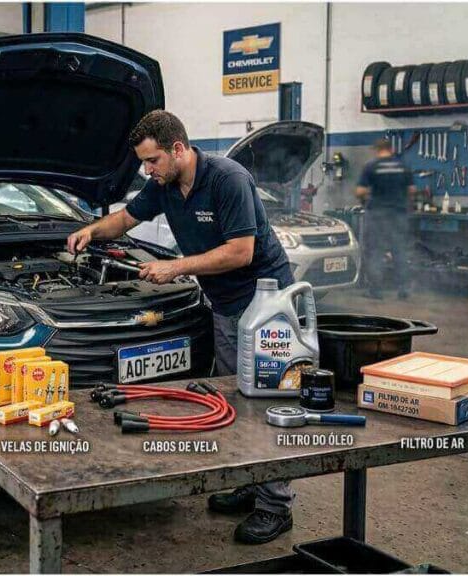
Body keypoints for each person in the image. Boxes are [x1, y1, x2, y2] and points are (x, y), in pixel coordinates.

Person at [66, 110, 296, 544]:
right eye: (143, 164)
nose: (147, 171)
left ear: (178, 149)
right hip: (227, 307)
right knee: (237, 400)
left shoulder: (228, 179)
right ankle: (251, 483)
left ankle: (276, 507)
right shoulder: (163, 186)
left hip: (267, 306)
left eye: (152, 161)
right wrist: (90, 232)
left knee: (265, 403)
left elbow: (241, 252)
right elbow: (125, 219)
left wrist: (176, 268)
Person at [355, 139, 415, 300]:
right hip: (398, 214)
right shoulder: (403, 166)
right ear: (391, 149)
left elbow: (360, 191)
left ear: (377, 150)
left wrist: (368, 198)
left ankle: (376, 291)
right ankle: (403, 290)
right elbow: (411, 190)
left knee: (375, 252)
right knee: (400, 251)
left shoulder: (371, 166)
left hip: (377, 215)